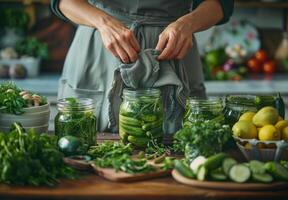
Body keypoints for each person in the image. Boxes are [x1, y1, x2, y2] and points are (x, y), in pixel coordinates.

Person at [50, 0, 234, 133]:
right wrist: (103, 22)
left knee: (185, 142)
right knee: (84, 141)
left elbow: (221, 4)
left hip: (174, 48)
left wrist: (187, 23)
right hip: (100, 51)